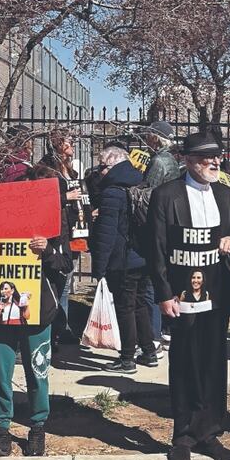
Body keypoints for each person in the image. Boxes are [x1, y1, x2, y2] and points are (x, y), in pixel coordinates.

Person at [148, 131, 230, 460]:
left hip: (216, 295)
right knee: (185, 364)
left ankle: (210, 432)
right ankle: (184, 436)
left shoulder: (225, 194)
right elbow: (156, 249)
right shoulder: (166, 195)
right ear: (188, 161)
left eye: (217, 156)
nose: (215, 162)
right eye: (207, 157)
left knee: (214, 364)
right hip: (180, 296)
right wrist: (162, 294)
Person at [0, 165, 73, 457]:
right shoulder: (1, 216)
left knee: (37, 370)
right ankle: (2, 429)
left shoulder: (57, 223)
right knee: (1, 370)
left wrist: (47, 250)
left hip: (38, 309)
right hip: (0, 311)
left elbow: (65, 265)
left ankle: (37, 427)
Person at [90, 146, 157, 374]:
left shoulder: (112, 193)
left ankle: (127, 358)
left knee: (125, 308)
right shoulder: (139, 183)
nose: (100, 172)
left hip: (123, 260)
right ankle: (149, 351)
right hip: (143, 257)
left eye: (103, 166)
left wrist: (98, 269)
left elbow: (106, 235)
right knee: (139, 304)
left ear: (114, 166)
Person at [36, 129, 82, 346]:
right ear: (57, 145)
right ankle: (54, 330)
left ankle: (62, 328)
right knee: (57, 282)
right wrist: (66, 197)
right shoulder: (46, 168)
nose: (72, 145)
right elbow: (40, 199)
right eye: (68, 141)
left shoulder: (69, 168)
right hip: (54, 233)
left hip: (71, 230)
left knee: (66, 281)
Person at [141, 120, 182, 347]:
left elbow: (147, 194)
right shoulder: (171, 160)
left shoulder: (158, 161)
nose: (146, 141)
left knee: (153, 279)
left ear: (155, 138)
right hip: (171, 222)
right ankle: (167, 327)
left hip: (157, 223)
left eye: (148, 136)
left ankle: (155, 333)